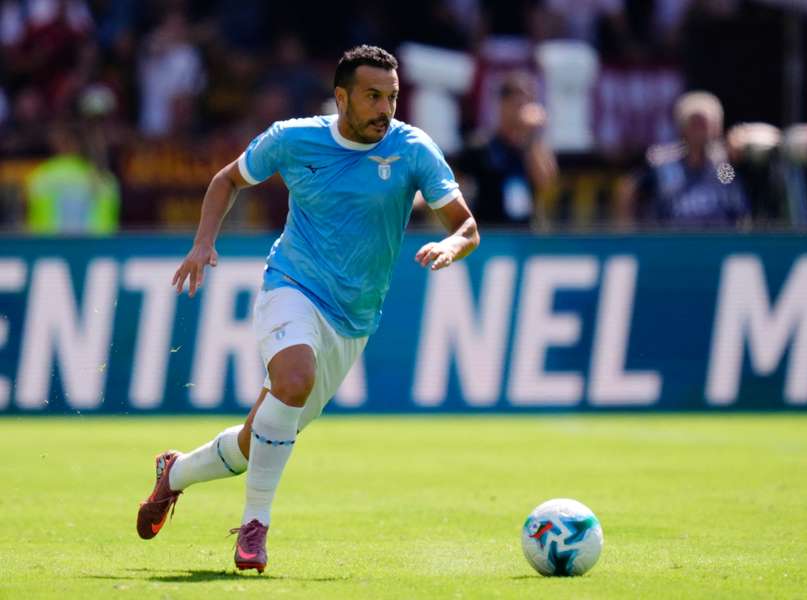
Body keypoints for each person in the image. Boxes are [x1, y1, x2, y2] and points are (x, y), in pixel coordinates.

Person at [135, 45, 480, 573]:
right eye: (371, 96)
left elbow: (466, 225)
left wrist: (450, 247)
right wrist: (203, 243)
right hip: (291, 285)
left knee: (260, 440)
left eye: (391, 96)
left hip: (354, 318)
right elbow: (227, 179)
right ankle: (255, 528)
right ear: (341, 97)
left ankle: (174, 473)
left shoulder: (413, 149)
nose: (384, 108)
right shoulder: (293, 138)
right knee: (292, 380)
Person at [623, 90, 749, 228]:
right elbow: (629, 190)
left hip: (718, 242)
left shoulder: (723, 167)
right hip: (672, 242)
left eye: (706, 124)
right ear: (682, 127)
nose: (701, 131)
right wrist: (629, 232)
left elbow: (738, 208)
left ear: (717, 127)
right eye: (695, 124)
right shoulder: (664, 166)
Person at [456, 71, 558, 227]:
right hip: (490, 234)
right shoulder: (480, 146)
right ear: (502, 104)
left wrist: (531, 135)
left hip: (524, 236)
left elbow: (544, 182)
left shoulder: (532, 147)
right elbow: (454, 185)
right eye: (517, 104)